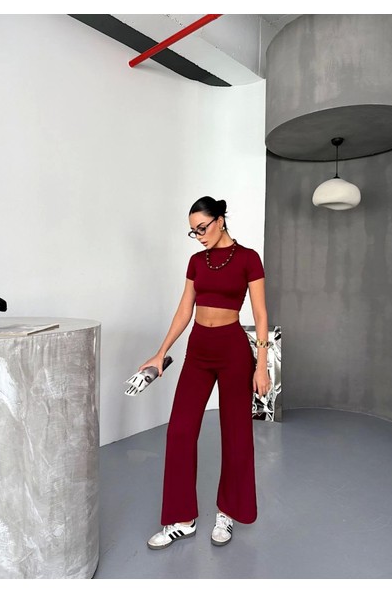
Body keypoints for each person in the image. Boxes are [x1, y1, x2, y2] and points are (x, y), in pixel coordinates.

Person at [139, 196, 271, 549]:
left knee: (236, 433)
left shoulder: (248, 258)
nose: (198, 236)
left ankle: (227, 513)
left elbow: (261, 315)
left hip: (232, 350)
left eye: (202, 228)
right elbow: (185, 309)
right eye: (193, 231)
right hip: (198, 349)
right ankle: (182, 519)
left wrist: (261, 365)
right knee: (180, 431)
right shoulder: (197, 261)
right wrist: (161, 353)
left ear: (220, 220)